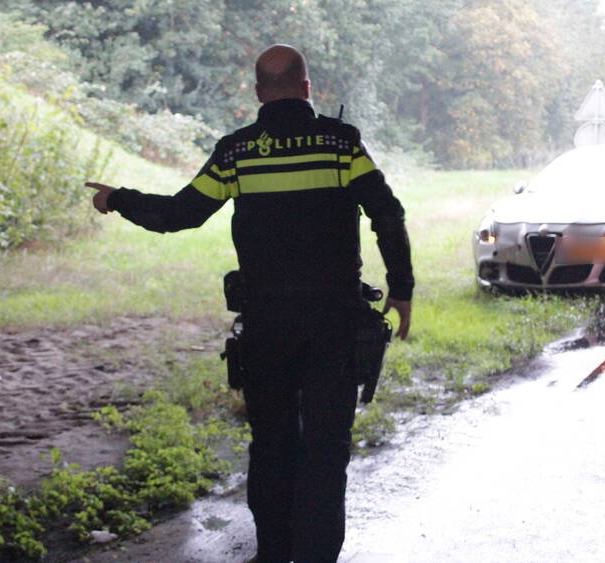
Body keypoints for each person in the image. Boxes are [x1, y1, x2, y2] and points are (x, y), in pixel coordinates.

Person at [85, 44, 413, 562]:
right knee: (326, 449)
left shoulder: (237, 151)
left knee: (273, 442)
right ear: (307, 88)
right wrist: (402, 287)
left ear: (259, 92)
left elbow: (180, 214)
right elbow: (387, 214)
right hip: (333, 321)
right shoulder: (341, 142)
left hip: (267, 325)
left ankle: (274, 552)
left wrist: (117, 198)